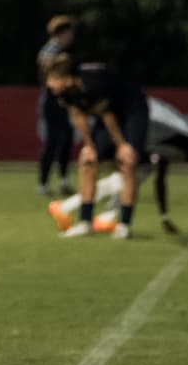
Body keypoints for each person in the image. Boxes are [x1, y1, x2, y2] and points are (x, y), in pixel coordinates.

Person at [47, 97, 188, 234]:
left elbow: (160, 178)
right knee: (115, 172)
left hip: (134, 130)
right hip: (124, 123)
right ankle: (66, 208)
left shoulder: (174, 136)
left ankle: (104, 216)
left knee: (139, 173)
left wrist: (164, 217)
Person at [46, 55, 147, 240]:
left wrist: (122, 145)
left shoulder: (91, 84)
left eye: (53, 79)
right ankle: (85, 223)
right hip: (108, 115)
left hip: (132, 110)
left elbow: (109, 116)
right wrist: (89, 146)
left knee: (127, 161)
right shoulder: (64, 91)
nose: (49, 84)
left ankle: (124, 225)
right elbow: (77, 115)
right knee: (87, 161)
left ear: (67, 78)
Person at [36, 15, 76, 197]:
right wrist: (58, 61)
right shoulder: (51, 49)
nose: (72, 36)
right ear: (62, 32)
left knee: (66, 139)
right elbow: (44, 63)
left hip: (63, 100)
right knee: (52, 141)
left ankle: (63, 180)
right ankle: (43, 184)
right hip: (51, 100)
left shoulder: (61, 50)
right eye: (69, 32)